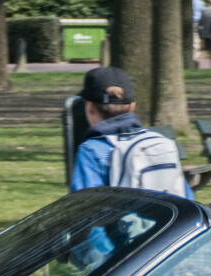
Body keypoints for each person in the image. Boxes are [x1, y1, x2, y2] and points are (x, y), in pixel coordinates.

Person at [69, 67, 190, 195]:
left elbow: (82, 205)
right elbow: (187, 196)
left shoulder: (91, 150)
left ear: (90, 108)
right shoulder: (160, 141)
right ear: (132, 107)